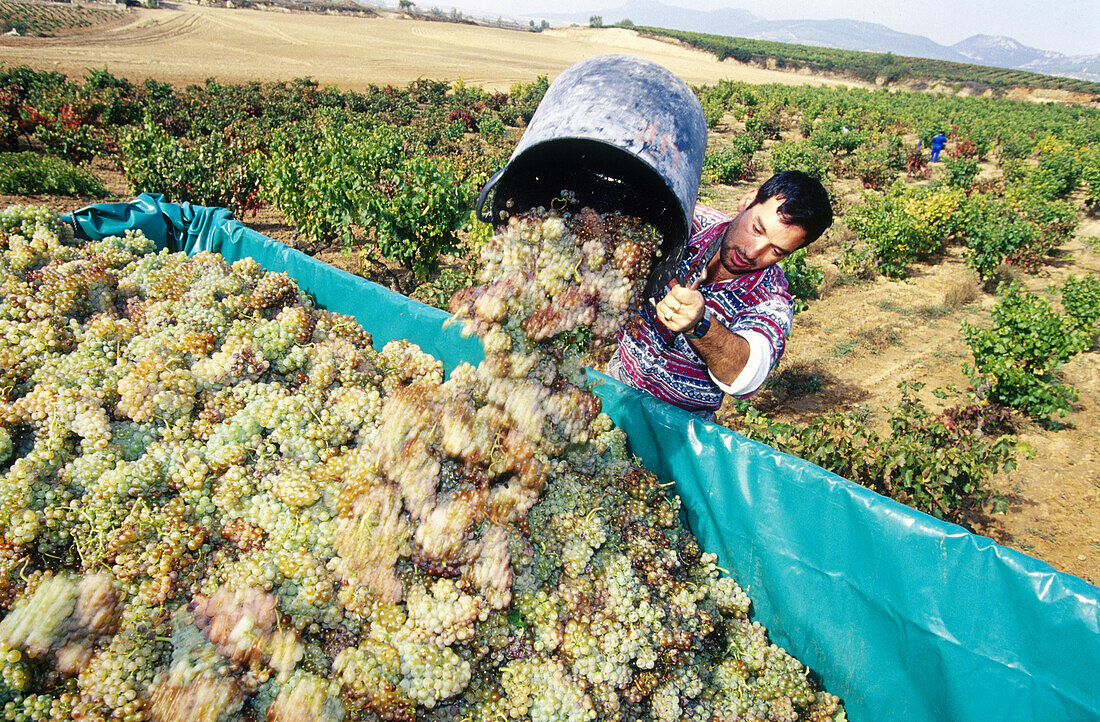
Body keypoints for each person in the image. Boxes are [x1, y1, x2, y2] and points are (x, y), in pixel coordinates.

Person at [606, 170, 833, 418]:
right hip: (617, 379)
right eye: (757, 229)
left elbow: (746, 376)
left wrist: (699, 324)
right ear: (748, 200)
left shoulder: (770, 298)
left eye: (776, 251)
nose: (753, 251)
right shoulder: (687, 220)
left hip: (681, 425)